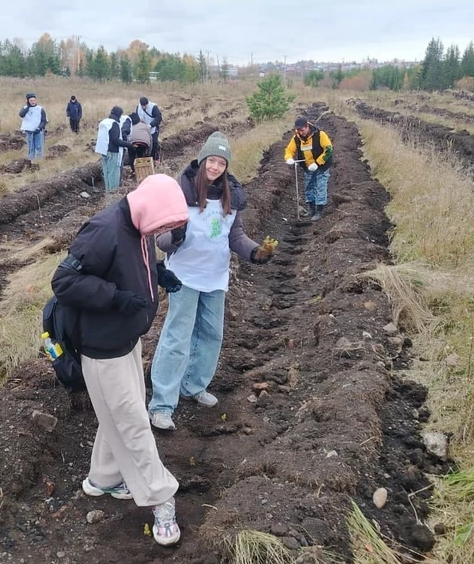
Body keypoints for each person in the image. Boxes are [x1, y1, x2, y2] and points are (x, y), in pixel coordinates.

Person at [51, 174, 189, 547]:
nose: (160, 232)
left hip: (126, 339)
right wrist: (115, 297)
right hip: (102, 347)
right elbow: (63, 282)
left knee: (122, 411)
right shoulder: (104, 230)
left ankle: (104, 478)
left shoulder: (137, 223)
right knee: (131, 421)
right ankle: (160, 497)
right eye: (162, 224)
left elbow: (132, 263)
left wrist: (158, 274)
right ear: (150, 208)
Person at [149, 132, 274, 431]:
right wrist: (176, 237)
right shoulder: (183, 192)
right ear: (202, 160)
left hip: (216, 277)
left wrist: (256, 252)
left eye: (221, 162)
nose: (215, 167)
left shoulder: (231, 195)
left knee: (211, 334)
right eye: (211, 161)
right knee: (177, 338)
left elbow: (235, 237)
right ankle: (162, 404)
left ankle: (194, 386)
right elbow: (161, 239)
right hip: (185, 276)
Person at [285, 116, 333, 222]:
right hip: (307, 167)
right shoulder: (297, 138)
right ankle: (311, 209)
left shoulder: (320, 135)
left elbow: (329, 150)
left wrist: (317, 163)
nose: (300, 133)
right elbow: (289, 149)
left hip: (321, 166)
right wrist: (288, 158)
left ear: (307, 126)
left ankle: (319, 211)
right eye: (298, 130)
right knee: (309, 187)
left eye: (302, 130)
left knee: (320, 186)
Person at [95, 106, 129, 192]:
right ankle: (113, 194)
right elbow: (115, 140)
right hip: (113, 152)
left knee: (106, 173)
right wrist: (128, 145)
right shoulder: (114, 124)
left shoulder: (104, 122)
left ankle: (108, 192)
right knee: (113, 173)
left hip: (104, 151)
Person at [19, 93, 48, 160]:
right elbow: (21, 115)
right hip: (29, 131)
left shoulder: (40, 109)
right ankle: (30, 160)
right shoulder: (25, 108)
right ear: (28, 101)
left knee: (39, 147)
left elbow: (44, 120)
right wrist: (28, 107)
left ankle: (38, 161)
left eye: (34, 100)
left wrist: (39, 128)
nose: (33, 102)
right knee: (31, 147)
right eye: (31, 100)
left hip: (38, 131)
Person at [136, 96, 163, 162]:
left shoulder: (153, 107)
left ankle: (155, 158)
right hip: (143, 129)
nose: (144, 107)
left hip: (152, 128)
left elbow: (158, 117)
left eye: (145, 106)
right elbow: (136, 117)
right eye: (143, 106)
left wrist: (151, 125)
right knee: (142, 143)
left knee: (154, 142)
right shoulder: (138, 107)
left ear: (148, 103)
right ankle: (142, 158)